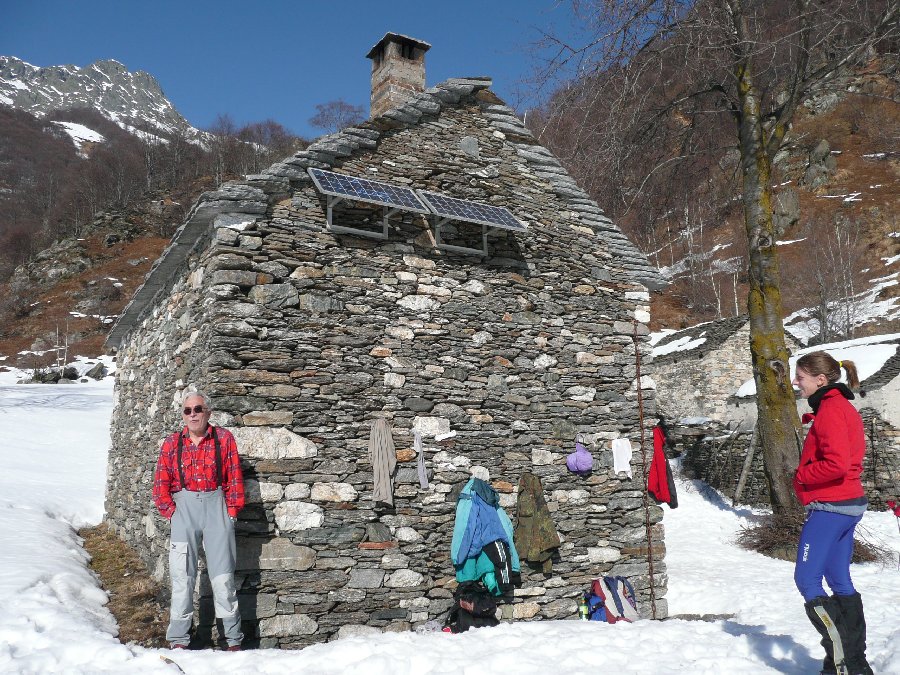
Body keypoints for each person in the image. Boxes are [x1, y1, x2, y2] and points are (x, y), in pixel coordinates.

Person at [791, 352, 872, 675]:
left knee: (807, 579)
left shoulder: (832, 411)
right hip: (847, 504)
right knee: (839, 580)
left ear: (820, 380)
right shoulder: (837, 407)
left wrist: (801, 476)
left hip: (832, 507)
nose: (796, 382)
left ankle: (843, 661)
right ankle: (852, 661)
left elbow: (836, 464)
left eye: (801, 376)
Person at [153, 390, 245, 651]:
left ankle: (232, 639)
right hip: (184, 509)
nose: (193, 414)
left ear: (208, 413)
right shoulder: (172, 443)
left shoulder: (224, 439)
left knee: (223, 577)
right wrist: (170, 511)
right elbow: (160, 482)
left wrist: (232, 512)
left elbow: (235, 478)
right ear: (183, 415)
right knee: (182, 576)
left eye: (198, 409)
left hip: (217, 507)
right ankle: (179, 638)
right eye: (187, 410)